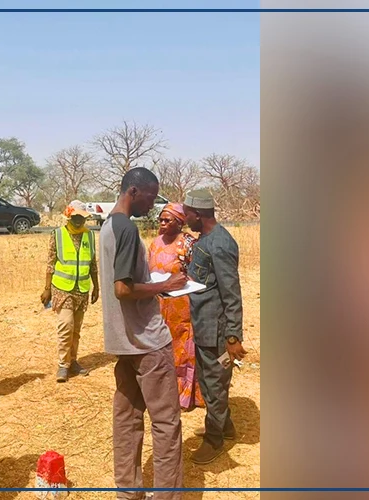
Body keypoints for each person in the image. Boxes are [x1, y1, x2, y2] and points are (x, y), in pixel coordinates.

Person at [98, 168, 188, 500]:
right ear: (134, 191)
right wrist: (166, 285)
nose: (153, 205)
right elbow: (123, 289)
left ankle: (128, 492)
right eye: (151, 197)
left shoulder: (108, 225)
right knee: (166, 423)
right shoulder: (126, 229)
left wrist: (153, 279)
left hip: (123, 342)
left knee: (127, 419)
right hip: (148, 342)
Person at [183, 188, 247, 465]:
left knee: (215, 384)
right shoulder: (205, 239)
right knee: (210, 383)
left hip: (218, 332)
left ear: (198, 214)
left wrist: (233, 336)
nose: (185, 219)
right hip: (203, 326)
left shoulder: (220, 244)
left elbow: (232, 293)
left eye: (187, 214)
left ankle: (215, 440)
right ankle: (225, 426)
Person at [148, 203, 206, 412]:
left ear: (180, 222)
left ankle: (185, 395)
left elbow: (197, 274)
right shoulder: (154, 244)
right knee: (163, 349)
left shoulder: (188, 243)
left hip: (183, 306)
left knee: (184, 351)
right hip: (159, 305)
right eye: (161, 220)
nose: (163, 224)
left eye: (168, 220)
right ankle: (165, 392)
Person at [40, 200, 100, 383]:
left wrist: (96, 286)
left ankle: (73, 360)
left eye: (82, 217)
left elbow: (92, 263)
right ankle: (63, 365)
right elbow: (51, 263)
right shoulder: (57, 234)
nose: (78, 221)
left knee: (76, 328)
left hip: (81, 288)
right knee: (66, 326)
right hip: (62, 288)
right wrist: (46, 289)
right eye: (75, 217)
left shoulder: (88, 236)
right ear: (68, 216)